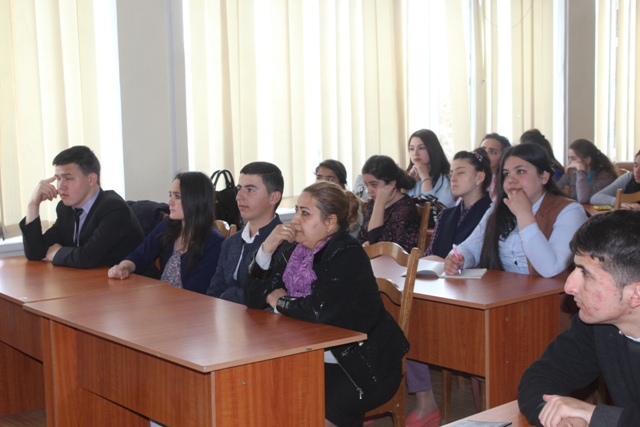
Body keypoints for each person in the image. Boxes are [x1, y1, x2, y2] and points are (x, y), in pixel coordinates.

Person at [244, 181, 409, 427]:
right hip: (311, 359)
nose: (295, 220)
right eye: (296, 210)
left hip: (361, 366)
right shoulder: (295, 251)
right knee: (263, 400)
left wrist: (280, 302)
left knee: (308, 417)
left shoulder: (347, 252)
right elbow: (253, 299)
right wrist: (266, 249)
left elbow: (317, 310)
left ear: (330, 223)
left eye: (305, 213)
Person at [518, 210, 640, 427]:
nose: (569, 287)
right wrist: (562, 417)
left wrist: (594, 415)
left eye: (586, 274)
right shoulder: (598, 325)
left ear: (636, 293)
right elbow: (541, 378)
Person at [405, 149, 493, 427]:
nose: (453, 178)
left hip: (474, 293)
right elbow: (432, 254)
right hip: (440, 287)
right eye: (451, 172)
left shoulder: (491, 212)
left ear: (480, 177)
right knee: (406, 317)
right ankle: (425, 400)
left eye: (461, 172)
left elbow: (484, 258)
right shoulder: (447, 214)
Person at [444, 143, 588, 278]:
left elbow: (550, 268)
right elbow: (470, 247)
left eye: (520, 171)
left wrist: (524, 215)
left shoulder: (569, 211)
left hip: (549, 294)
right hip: (504, 290)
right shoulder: (498, 207)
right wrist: (460, 258)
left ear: (543, 176)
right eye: (506, 174)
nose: (511, 180)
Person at [20, 145, 144, 268]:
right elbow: (35, 252)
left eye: (68, 178)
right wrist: (33, 205)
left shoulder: (113, 208)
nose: (61, 186)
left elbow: (88, 257)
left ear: (91, 179)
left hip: (129, 279)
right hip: (88, 278)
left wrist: (58, 253)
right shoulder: (66, 208)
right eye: (58, 179)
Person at [108, 172, 224, 294]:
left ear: (196, 200)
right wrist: (124, 266)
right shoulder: (169, 225)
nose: (169, 202)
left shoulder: (214, 243)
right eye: (170, 195)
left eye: (177, 196)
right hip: (164, 299)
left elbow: (195, 291)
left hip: (187, 303)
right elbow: (140, 255)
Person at [206, 162, 284, 304]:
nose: (238, 196)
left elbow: (265, 298)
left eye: (250, 190)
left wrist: (230, 293)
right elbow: (213, 293)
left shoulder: (284, 243)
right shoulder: (230, 242)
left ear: (273, 197)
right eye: (239, 189)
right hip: (226, 315)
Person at [358, 155, 420, 252]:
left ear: (391, 184)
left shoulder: (405, 207)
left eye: (374, 184)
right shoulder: (372, 203)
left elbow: (377, 245)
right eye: (366, 185)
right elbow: (362, 238)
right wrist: (365, 244)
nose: (368, 190)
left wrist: (379, 204)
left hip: (398, 260)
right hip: (374, 260)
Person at [556, 139, 617, 204]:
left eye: (573, 158)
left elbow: (584, 199)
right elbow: (555, 191)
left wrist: (580, 171)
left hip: (594, 210)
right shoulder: (572, 172)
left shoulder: (605, 176)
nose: (569, 163)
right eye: (569, 158)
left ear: (587, 160)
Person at [406, 129, 455, 208]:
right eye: (411, 148)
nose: (415, 153)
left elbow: (431, 211)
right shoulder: (411, 175)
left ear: (433, 149)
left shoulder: (446, 179)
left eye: (421, 148)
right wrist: (406, 181)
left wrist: (425, 178)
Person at [315, 159, 363, 238]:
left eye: (330, 179)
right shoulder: (313, 202)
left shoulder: (351, 204)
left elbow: (352, 237)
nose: (322, 182)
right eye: (319, 178)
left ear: (341, 184)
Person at [479, 133, 511, 200]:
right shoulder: (469, 177)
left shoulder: (503, 185)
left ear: (502, 158)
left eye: (493, 152)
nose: (485, 153)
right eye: (483, 149)